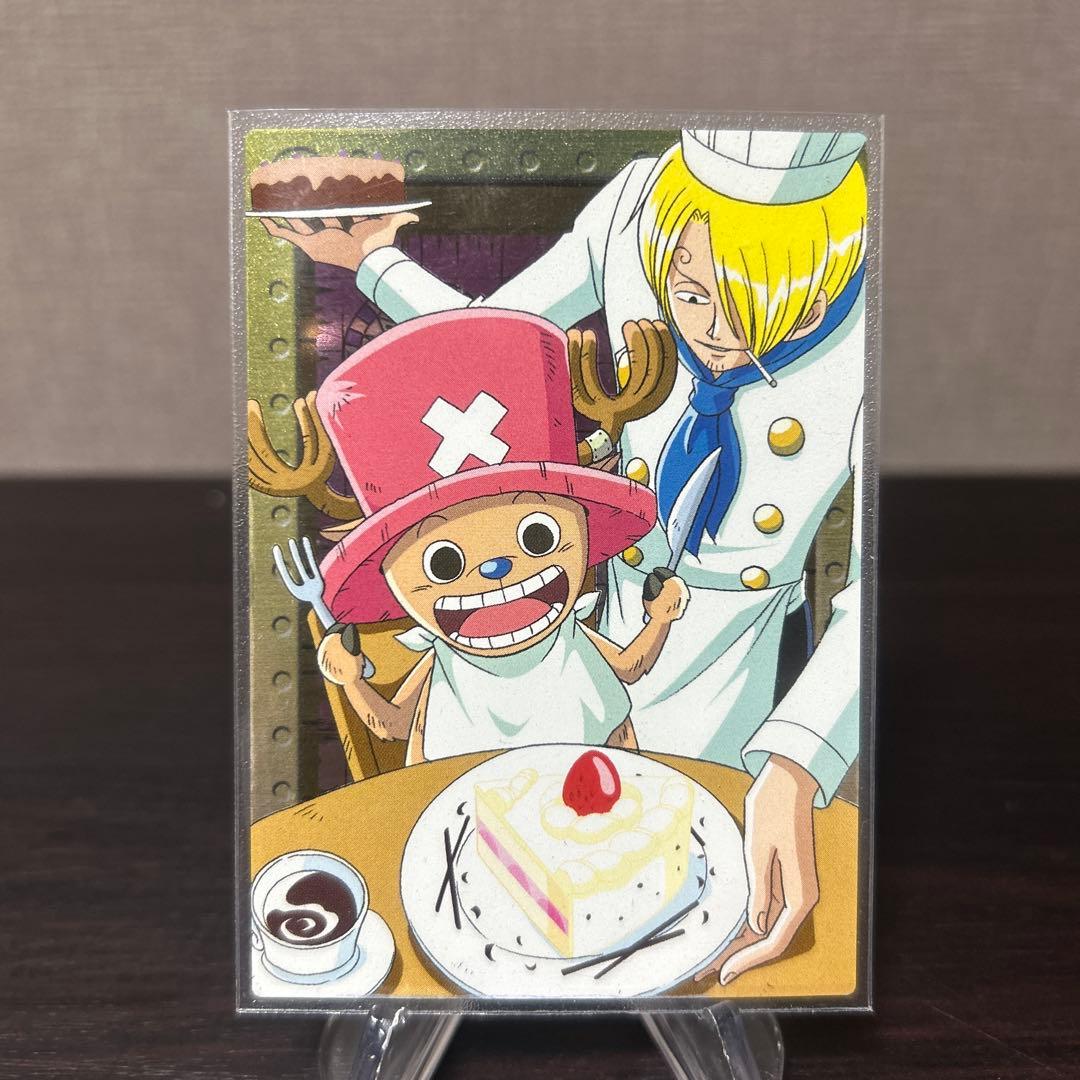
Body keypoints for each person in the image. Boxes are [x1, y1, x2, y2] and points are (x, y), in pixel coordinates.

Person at [261, 129, 868, 984]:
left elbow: (878, 587)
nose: (717, 336)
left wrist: (799, 762)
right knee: (523, 860)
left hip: (736, 653)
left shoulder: (886, 332)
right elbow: (491, 344)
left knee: (686, 892)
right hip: (590, 602)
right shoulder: (634, 208)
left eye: (775, 313)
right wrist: (374, 260)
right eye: (690, 295)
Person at [309, 308, 689, 764]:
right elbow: (392, 725)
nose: (496, 568)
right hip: (465, 798)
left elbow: (627, 667)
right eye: (444, 563)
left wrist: (661, 618)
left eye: (537, 538)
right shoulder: (444, 662)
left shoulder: (571, 636)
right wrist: (351, 679)